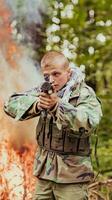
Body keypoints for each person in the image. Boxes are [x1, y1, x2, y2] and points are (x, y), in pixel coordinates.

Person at [4, 51, 102, 200]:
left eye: (56, 74)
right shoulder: (43, 90)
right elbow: (9, 104)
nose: (51, 80)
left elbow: (89, 121)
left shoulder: (84, 94)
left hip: (72, 176)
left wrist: (58, 106)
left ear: (68, 73)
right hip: (45, 173)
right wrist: (37, 105)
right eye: (46, 76)